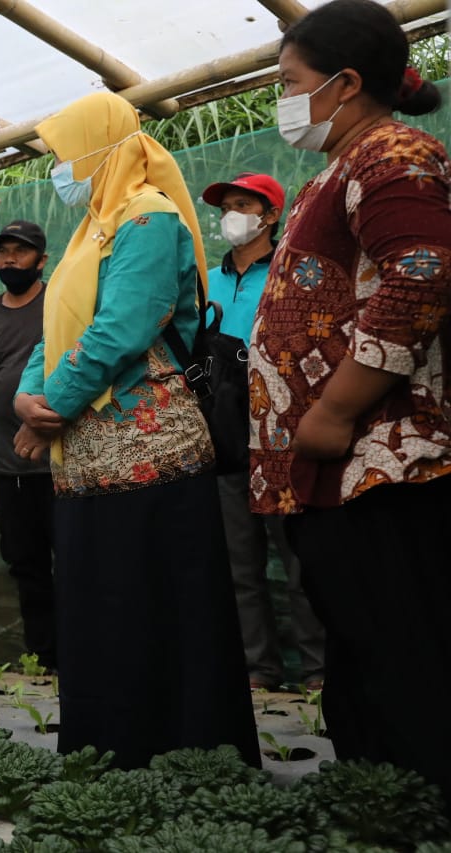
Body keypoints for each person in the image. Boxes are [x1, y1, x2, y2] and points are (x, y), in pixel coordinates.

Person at [14, 92, 259, 768]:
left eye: (65, 155)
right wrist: (29, 399)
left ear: (102, 147)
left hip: (150, 456)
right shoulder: (93, 227)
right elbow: (55, 325)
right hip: (89, 464)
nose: (59, 170)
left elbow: (126, 324)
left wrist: (53, 405)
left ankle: (185, 759)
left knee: (157, 608)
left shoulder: (146, 218)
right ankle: (110, 759)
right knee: (109, 609)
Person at [249, 0, 451, 812]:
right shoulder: (345, 162)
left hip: (382, 459)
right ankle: (379, 796)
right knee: (365, 642)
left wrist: (333, 409)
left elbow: (426, 270)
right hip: (340, 468)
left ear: (346, 83)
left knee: (403, 644)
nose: (283, 97)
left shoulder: (393, 154)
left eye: (290, 82)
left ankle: (420, 802)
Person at [201, 173, 326, 691]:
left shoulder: (291, 272)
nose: (231, 214)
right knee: (239, 562)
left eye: (242, 205)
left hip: (284, 437)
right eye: (226, 206)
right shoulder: (206, 278)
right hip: (225, 438)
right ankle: (259, 671)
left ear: (270, 216)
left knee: (302, 562)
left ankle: (320, 672)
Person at [0, 220, 58, 673]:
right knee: (25, 565)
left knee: (73, 561)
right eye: (3, 251)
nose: (10, 259)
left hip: (60, 461)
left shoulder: (59, 302)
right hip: (9, 467)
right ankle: (45, 658)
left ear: (42, 261)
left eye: (20, 252)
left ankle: (83, 652)